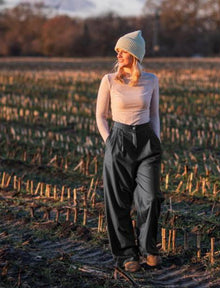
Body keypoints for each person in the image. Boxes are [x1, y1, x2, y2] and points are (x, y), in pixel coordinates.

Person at [96, 30, 163, 272]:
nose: (118, 53)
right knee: (118, 202)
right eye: (118, 50)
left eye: (123, 50)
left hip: (146, 141)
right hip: (119, 139)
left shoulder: (152, 80)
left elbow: (154, 114)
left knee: (151, 197)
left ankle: (149, 249)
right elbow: (101, 116)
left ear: (134, 54)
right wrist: (110, 142)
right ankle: (127, 255)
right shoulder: (109, 80)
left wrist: (156, 139)